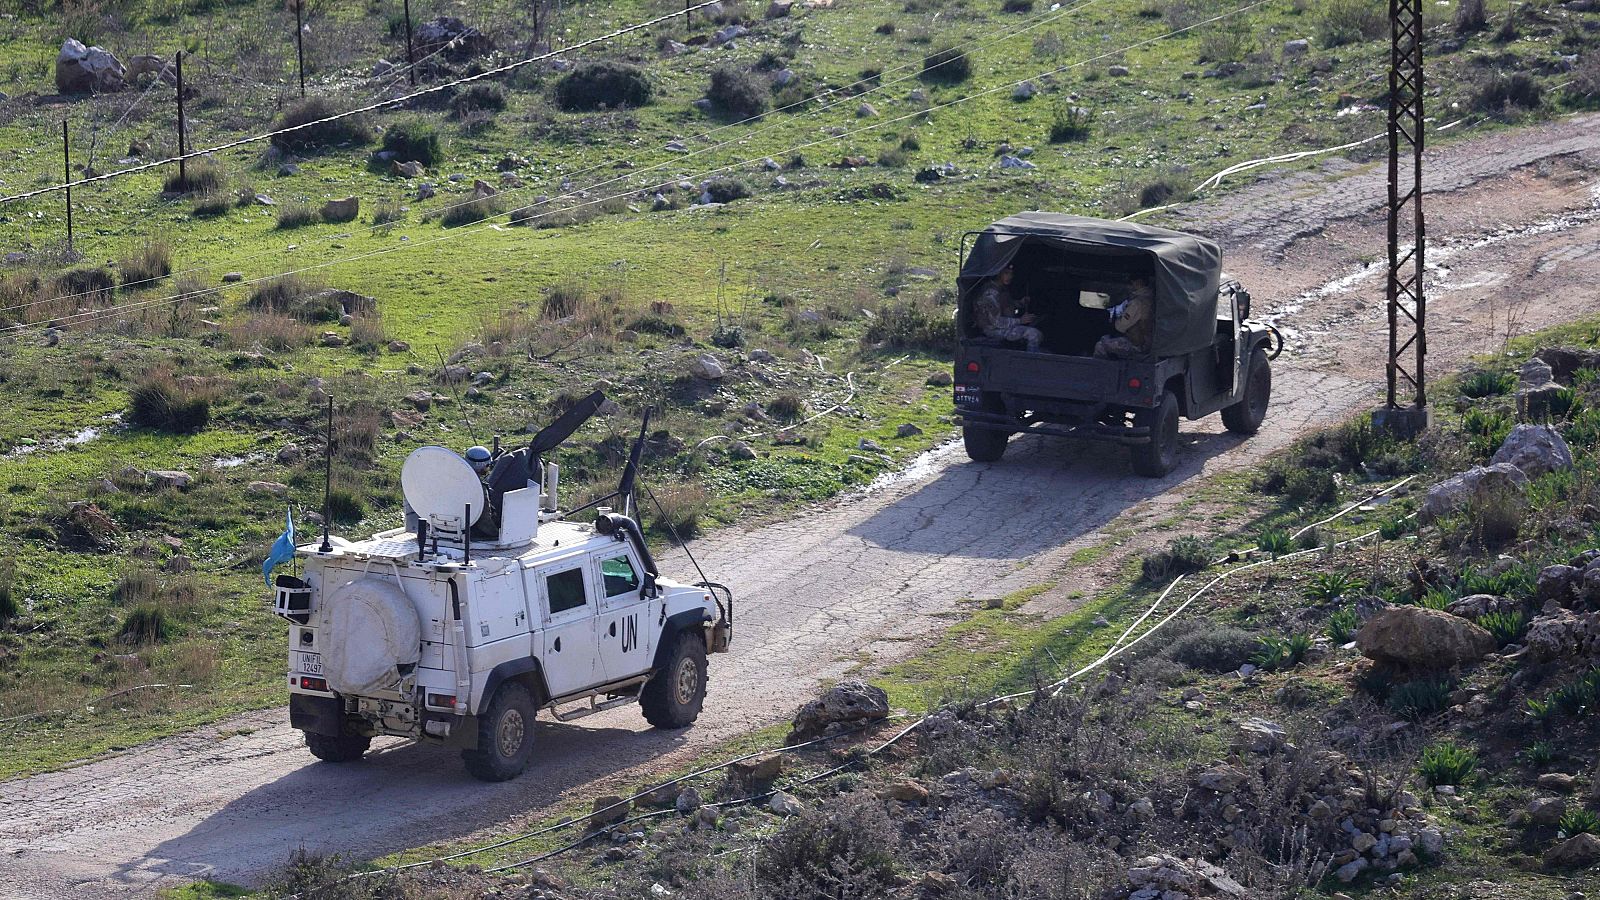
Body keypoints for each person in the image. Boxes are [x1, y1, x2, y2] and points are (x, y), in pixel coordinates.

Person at [973, 265, 1043, 352]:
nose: (1009, 276)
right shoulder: (990, 293)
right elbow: (996, 322)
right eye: (1006, 273)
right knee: (1034, 334)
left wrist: (1021, 303)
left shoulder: (1001, 289)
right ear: (999, 273)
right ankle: (1032, 361)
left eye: (1011, 274)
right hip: (993, 330)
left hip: (1004, 325)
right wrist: (1020, 321)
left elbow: (1008, 304)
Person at [1093, 276, 1154, 359]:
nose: (1130, 286)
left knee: (1101, 345)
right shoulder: (1151, 299)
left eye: (1131, 282)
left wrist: (1117, 320)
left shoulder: (1137, 303)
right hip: (1148, 344)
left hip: (1138, 346)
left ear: (1138, 282)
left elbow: (1120, 327)